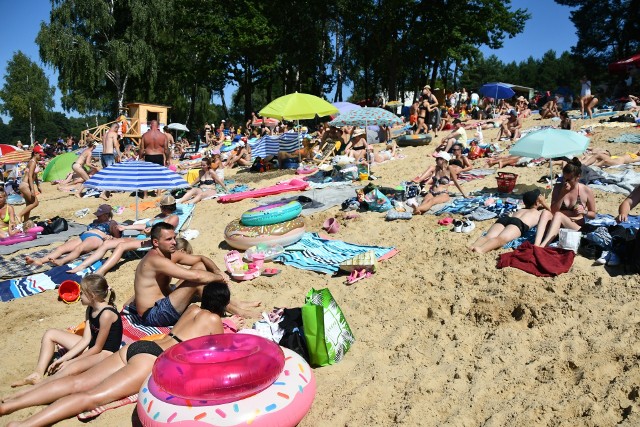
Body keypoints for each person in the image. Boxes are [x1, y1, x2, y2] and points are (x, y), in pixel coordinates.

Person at [0, 282, 230, 425]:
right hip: (151, 359)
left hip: (138, 346)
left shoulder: (192, 308)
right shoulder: (214, 320)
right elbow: (221, 356)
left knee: (77, 382)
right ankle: (26, 425)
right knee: (92, 397)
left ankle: (10, 405)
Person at [10, 274, 122, 389]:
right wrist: (64, 358)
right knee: (50, 334)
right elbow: (86, 340)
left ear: (92, 295)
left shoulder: (107, 314)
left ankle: (39, 387)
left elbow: (98, 348)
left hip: (106, 355)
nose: (79, 295)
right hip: (92, 348)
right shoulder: (90, 308)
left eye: (82, 292)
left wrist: (71, 362)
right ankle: (37, 374)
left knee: (70, 368)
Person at [132, 222, 255, 326]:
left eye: (174, 238)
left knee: (200, 267)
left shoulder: (169, 254)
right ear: (156, 242)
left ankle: (233, 303)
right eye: (169, 239)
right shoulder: (155, 260)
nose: (174, 242)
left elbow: (201, 259)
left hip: (165, 300)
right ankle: (233, 309)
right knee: (196, 281)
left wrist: (217, 271)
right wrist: (220, 278)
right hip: (153, 315)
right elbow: (195, 277)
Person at [66, 196, 180, 275]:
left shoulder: (173, 217)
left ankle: (100, 272)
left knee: (121, 246)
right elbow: (144, 225)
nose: (162, 209)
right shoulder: (159, 216)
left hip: (152, 242)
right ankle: (82, 266)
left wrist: (152, 230)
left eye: (164, 207)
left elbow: (165, 231)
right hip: (143, 238)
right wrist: (125, 227)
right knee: (107, 243)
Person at [25, 204, 121, 266]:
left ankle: (62, 261)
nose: (97, 216)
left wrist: (110, 237)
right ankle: (40, 261)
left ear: (106, 215)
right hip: (84, 236)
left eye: (100, 214)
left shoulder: (112, 223)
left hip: (97, 238)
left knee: (79, 248)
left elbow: (118, 239)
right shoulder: (95, 221)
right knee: (61, 248)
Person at [534, 158, 596, 247]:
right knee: (545, 213)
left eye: (569, 179)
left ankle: (543, 245)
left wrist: (584, 212)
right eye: (564, 178)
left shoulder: (586, 191)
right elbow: (554, 210)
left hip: (575, 226)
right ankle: (536, 244)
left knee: (559, 215)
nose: (565, 182)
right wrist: (562, 194)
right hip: (557, 225)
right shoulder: (559, 187)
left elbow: (593, 214)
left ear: (578, 177)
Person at [469, 189, 550, 253]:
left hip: (506, 218)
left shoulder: (521, 209)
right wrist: (544, 203)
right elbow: (552, 213)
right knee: (500, 239)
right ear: (537, 202)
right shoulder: (539, 212)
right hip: (518, 223)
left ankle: (472, 246)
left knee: (487, 236)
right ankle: (481, 250)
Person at [18, 146, 43, 222]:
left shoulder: (34, 162)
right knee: (35, 203)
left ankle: (25, 223)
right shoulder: (32, 162)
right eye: (40, 155)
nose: (41, 156)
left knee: (29, 205)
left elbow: (34, 176)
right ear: (35, 153)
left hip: (25, 185)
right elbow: (29, 175)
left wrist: (38, 185)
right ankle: (19, 215)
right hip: (25, 185)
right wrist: (32, 189)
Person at [99, 124, 121, 200]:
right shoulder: (113, 134)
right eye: (117, 129)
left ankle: (107, 193)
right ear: (116, 128)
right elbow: (116, 145)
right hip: (109, 155)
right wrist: (119, 155)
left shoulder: (104, 135)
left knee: (106, 174)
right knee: (110, 175)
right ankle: (103, 193)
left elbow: (104, 145)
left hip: (103, 155)